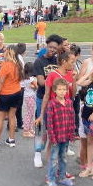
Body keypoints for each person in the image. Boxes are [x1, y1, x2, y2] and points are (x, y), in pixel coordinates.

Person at [32, 34, 62, 167]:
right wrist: (56, 82)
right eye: (50, 47)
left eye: (55, 48)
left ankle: (52, 153)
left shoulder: (59, 61)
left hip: (56, 100)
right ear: (46, 45)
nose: (52, 50)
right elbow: (40, 81)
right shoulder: (39, 61)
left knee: (54, 127)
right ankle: (37, 153)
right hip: (42, 98)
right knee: (41, 126)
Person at [0, 46, 23, 149]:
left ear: (8, 53)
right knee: (12, 116)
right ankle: (11, 140)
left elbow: (1, 82)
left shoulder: (6, 65)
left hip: (5, 94)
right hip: (17, 92)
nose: (3, 52)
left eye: (5, 51)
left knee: (0, 118)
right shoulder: (18, 64)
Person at [45, 78, 76, 186]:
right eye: (60, 89)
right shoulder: (52, 104)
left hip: (65, 135)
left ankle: (62, 177)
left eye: (64, 89)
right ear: (55, 90)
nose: (62, 92)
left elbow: (72, 118)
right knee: (54, 158)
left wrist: (72, 133)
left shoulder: (69, 103)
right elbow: (49, 122)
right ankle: (51, 179)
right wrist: (52, 137)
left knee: (63, 157)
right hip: (56, 137)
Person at [21, 62, 38, 138]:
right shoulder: (31, 79)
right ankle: (26, 130)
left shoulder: (23, 77)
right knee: (30, 113)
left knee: (29, 112)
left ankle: (30, 128)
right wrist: (34, 86)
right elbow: (36, 87)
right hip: (31, 96)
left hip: (26, 96)